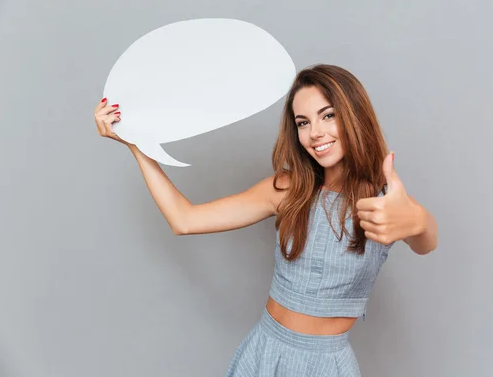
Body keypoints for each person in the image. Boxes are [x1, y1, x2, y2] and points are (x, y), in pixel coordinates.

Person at [93, 64, 438, 376]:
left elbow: (426, 241)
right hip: (264, 353)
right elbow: (184, 220)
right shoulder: (287, 189)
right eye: (303, 123)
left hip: (326, 366)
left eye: (327, 115)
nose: (315, 132)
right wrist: (135, 145)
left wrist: (418, 220)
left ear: (354, 116)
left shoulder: (384, 202)